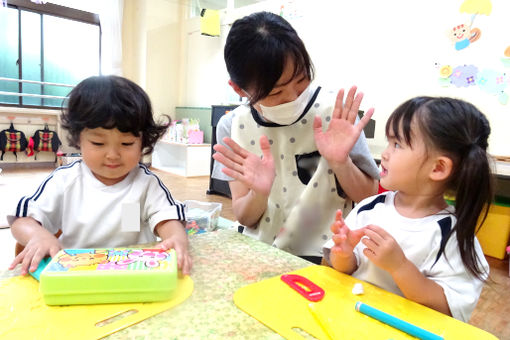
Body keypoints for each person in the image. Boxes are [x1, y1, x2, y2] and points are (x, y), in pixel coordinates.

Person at [212, 11, 379, 264]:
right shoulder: (233, 126)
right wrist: (258, 193)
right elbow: (245, 218)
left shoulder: (336, 115)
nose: (294, 97)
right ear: (238, 88)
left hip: (327, 256)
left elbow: (368, 197)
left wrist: (340, 162)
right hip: (261, 253)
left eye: (301, 80)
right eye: (276, 92)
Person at [323, 96, 493, 322]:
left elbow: (447, 307)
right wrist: (343, 254)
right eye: (388, 143)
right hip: (351, 318)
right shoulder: (370, 208)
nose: (384, 153)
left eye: (397, 144)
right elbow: (345, 269)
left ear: (438, 168)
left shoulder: (452, 233)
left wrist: (400, 267)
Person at [8, 75, 192, 275]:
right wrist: (37, 235)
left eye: (126, 144)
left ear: (143, 142)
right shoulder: (65, 180)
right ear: (79, 139)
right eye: (98, 143)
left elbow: (167, 218)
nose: (112, 155)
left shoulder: (146, 183)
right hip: (75, 273)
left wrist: (175, 237)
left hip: (131, 273)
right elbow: (22, 220)